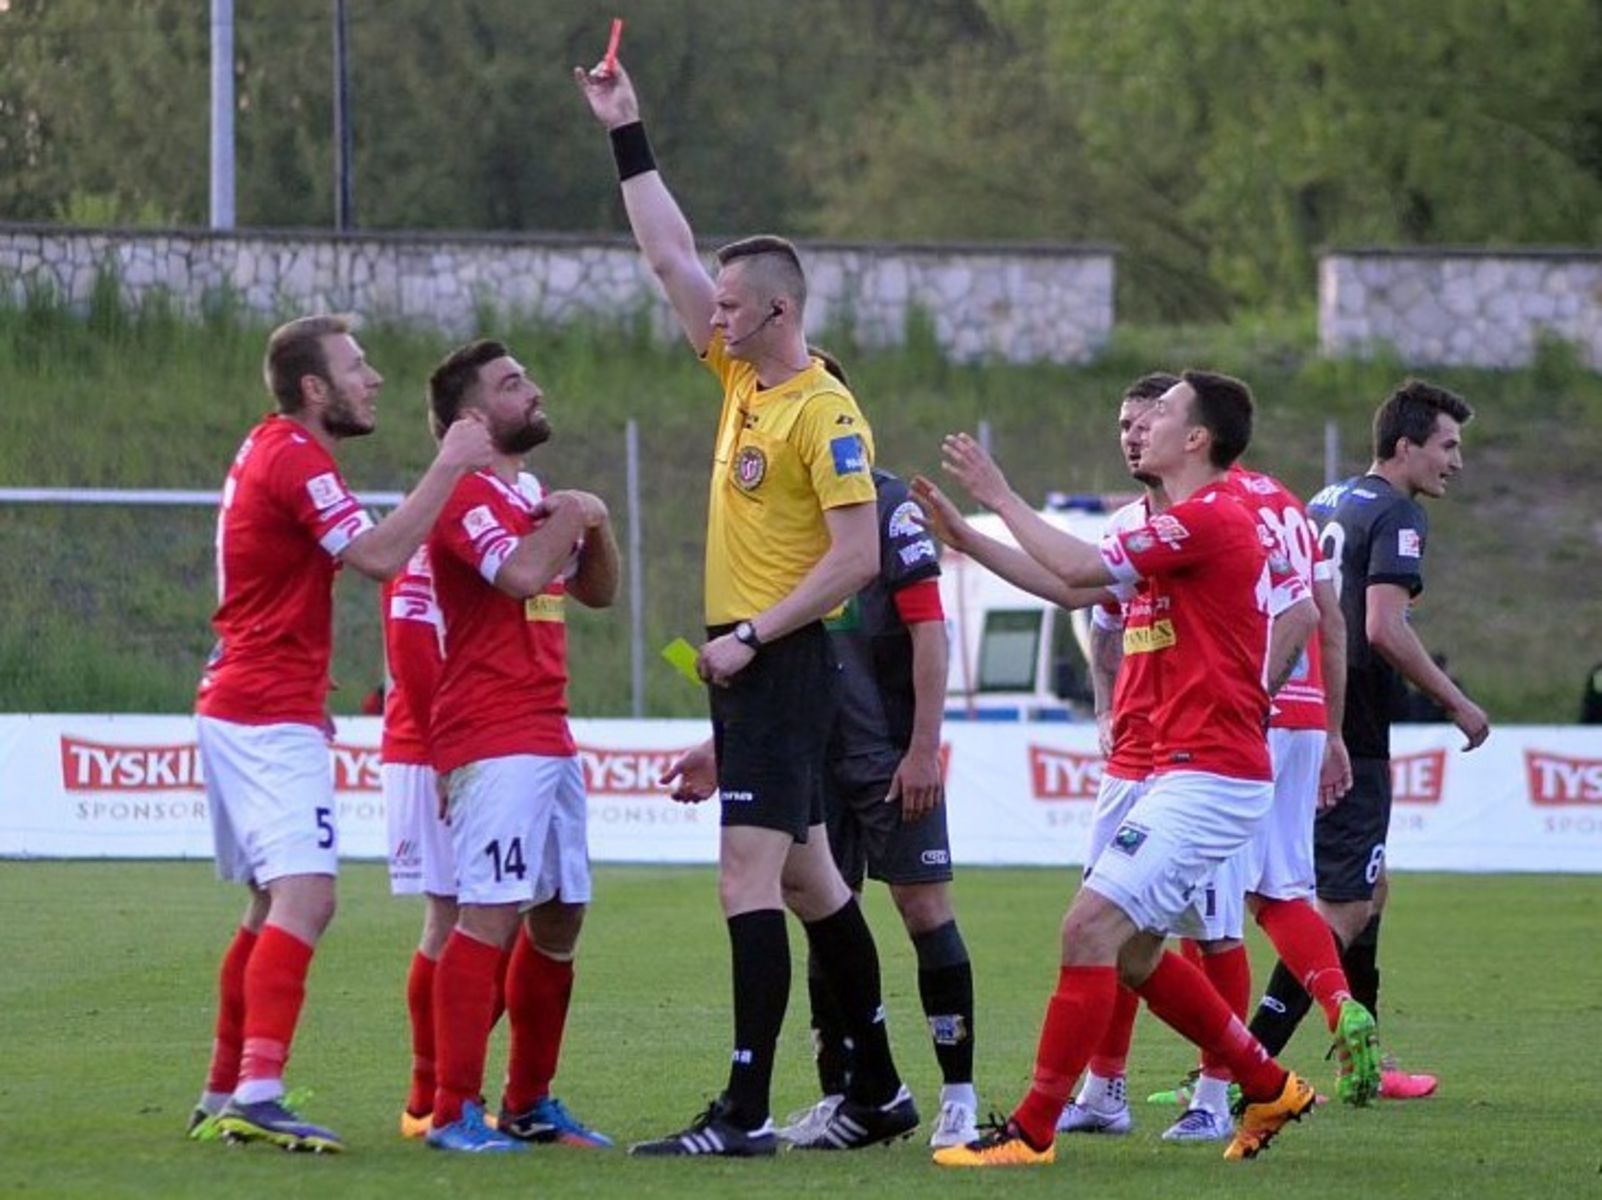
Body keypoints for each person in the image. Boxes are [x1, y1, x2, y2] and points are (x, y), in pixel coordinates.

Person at [578, 56, 916, 1157]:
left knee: (746, 877)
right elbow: (667, 252)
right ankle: (880, 1093)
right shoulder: (741, 377)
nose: (708, 318)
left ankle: (744, 1112)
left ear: (777, 308)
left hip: (778, 658)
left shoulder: (826, 411)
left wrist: (752, 640)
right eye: (712, 307)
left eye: (728, 306)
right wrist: (628, 132)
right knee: (816, 881)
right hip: (751, 665)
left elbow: (859, 558)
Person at [928, 371, 1320, 1168]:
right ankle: (1267, 1082)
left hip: (1208, 775)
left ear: (1198, 438)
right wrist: (969, 542)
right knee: (1135, 954)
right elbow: (1070, 589)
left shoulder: (1212, 517)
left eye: (1162, 414)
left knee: (1087, 928)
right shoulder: (1178, 522)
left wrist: (1000, 497)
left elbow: (1074, 570)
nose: (1142, 426)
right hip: (1178, 769)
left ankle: (1035, 1130)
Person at [188, 314, 493, 1152]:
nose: (375, 380)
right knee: (307, 897)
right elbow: (380, 555)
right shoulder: (295, 455)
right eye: (357, 368)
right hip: (262, 709)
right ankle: (257, 1089)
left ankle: (223, 1085)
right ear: (314, 389)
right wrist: (449, 464)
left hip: (246, 699)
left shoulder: (272, 449)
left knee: (266, 903)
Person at [757, 350, 979, 1150]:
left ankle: (959, 1093)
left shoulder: (889, 509)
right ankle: (846, 1096)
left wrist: (923, 748)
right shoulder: (773, 512)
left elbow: (930, 630)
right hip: (809, 756)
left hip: (887, 754)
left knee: (924, 910)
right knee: (826, 914)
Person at [1250, 379, 1489, 1100]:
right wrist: (1456, 702)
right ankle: (1244, 1064)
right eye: (1447, 446)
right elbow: (1383, 627)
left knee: (1368, 888)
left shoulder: (1330, 496)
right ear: (1406, 446)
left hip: (1312, 705)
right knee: (1344, 904)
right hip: (1351, 722)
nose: (1456, 461)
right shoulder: (1399, 514)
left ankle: (1366, 1058)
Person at [418, 339, 619, 1153]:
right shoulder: (463, 494)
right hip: (492, 735)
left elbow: (595, 591)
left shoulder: (529, 495)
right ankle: (451, 1110)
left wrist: (593, 522)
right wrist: (574, 515)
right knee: (488, 912)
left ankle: (529, 1101)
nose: (533, 391)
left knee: (562, 913)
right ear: (473, 417)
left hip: (547, 729)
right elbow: (520, 578)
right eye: (512, 385)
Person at [377, 541, 459, 1141]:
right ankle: (427, 1097)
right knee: (454, 920)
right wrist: (444, 750)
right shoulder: (427, 534)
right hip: (432, 748)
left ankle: (444, 1087)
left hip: (458, 744)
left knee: (486, 922)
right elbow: (410, 646)